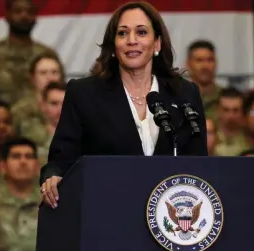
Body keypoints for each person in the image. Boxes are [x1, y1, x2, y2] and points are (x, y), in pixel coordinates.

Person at [40, 1, 207, 209]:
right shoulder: (84, 94)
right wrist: (53, 176)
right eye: (122, 33)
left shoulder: (184, 93)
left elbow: (200, 163)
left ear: (157, 44)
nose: (132, 41)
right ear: (113, 45)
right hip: (107, 210)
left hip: (169, 215)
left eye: (142, 32)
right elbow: (61, 158)